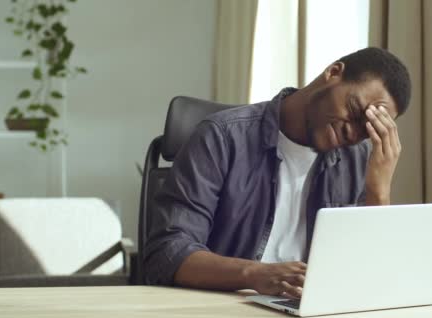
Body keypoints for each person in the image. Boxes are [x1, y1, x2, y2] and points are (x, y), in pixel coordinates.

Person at [144, 47, 411, 298]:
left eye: (366, 131)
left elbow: (369, 276)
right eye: (353, 111)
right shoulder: (222, 137)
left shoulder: (357, 160)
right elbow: (168, 252)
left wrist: (379, 191)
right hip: (225, 307)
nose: (352, 132)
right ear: (333, 73)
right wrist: (255, 275)